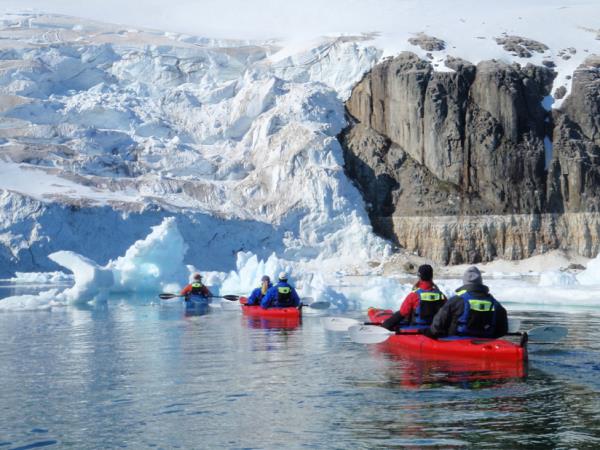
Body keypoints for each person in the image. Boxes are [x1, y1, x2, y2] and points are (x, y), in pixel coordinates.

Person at [426, 266, 508, 338]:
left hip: (456, 342)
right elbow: (503, 330)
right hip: (486, 343)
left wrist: (430, 333)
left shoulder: (455, 301)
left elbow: (437, 325)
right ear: (480, 282)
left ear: (465, 283)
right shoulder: (495, 304)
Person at [381, 264, 447, 331]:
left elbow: (402, 313)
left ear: (419, 277)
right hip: (434, 329)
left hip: (416, 330)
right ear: (431, 276)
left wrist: (386, 325)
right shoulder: (441, 295)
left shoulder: (414, 295)